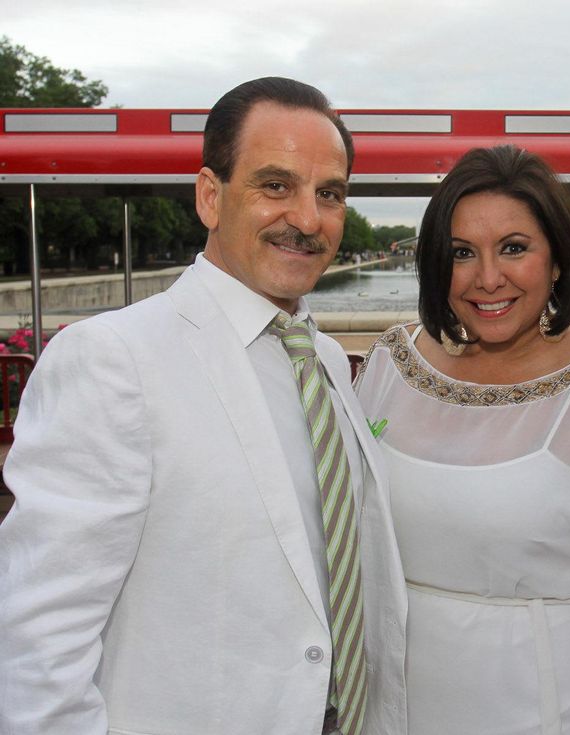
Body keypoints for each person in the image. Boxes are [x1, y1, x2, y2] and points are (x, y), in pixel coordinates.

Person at [0, 77, 407, 735]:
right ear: (211, 196)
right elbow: (37, 640)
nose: (308, 219)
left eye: (328, 193)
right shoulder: (113, 361)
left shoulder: (326, 360)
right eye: (276, 185)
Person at [354, 145, 570, 734]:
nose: (487, 279)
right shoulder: (389, 366)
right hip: (393, 699)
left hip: (543, 702)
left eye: (514, 249)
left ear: (556, 260)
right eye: (462, 253)